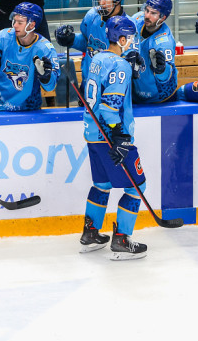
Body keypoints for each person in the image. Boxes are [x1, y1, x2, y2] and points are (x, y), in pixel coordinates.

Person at [79, 16, 148, 260]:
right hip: (111, 135)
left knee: (102, 184)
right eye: (130, 38)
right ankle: (121, 240)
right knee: (136, 187)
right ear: (120, 39)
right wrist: (119, 134)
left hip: (92, 133)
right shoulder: (120, 66)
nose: (132, 42)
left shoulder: (97, 58)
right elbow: (110, 107)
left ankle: (90, 232)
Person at [55, 0, 138, 89]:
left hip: (113, 89)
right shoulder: (92, 16)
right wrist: (71, 39)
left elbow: (133, 61)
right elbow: (86, 43)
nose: (101, 2)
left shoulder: (130, 26)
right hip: (88, 84)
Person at [0, 2, 60, 112]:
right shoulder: (2, 38)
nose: (15, 25)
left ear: (32, 25)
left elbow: (50, 88)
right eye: (14, 21)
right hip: (0, 107)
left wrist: (45, 77)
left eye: (20, 22)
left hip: (29, 109)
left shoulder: (45, 49)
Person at [130, 0, 178, 104]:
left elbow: (166, 77)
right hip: (136, 94)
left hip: (158, 98)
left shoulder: (165, 42)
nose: (147, 15)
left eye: (153, 13)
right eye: (147, 10)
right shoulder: (137, 19)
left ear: (163, 17)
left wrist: (162, 70)